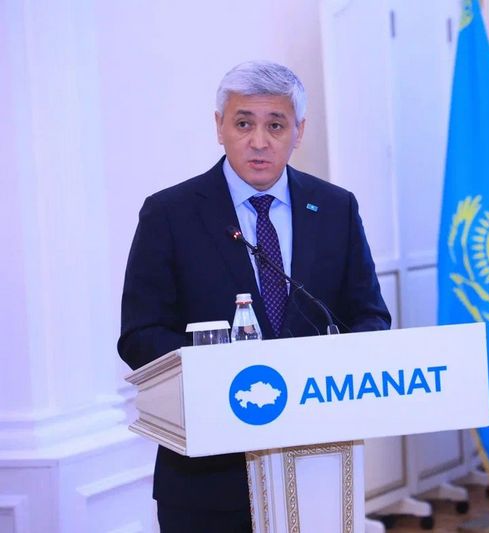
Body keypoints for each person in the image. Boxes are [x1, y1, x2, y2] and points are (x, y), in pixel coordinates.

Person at [118, 60, 391, 532]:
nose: (259, 141)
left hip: (316, 467)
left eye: (276, 125)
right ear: (219, 127)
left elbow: (370, 317)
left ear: (299, 131)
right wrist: (220, 366)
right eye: (244, 123)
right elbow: (139, 335)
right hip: (208, 477)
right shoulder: (169, 213)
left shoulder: (335, 207)